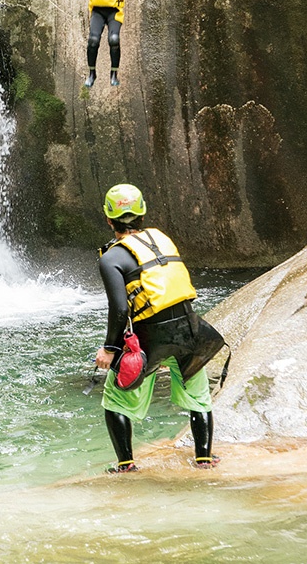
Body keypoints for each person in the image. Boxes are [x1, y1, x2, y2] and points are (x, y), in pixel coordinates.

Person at [95, 183, 225, 472]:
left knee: (115, 398)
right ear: (142, 214)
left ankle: (126, 465)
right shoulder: (162, 239)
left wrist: (110, 349)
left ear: (108, 219)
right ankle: (204, 459)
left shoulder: (112, 258)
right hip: (190, 329)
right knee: (198, 394)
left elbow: (119, 310)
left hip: (150, 339)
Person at [79, 0, 174, 87]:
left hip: (114, 12)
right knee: (93, 41)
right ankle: (92, 74)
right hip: (97, 12)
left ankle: (114, 74)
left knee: (114, 39)